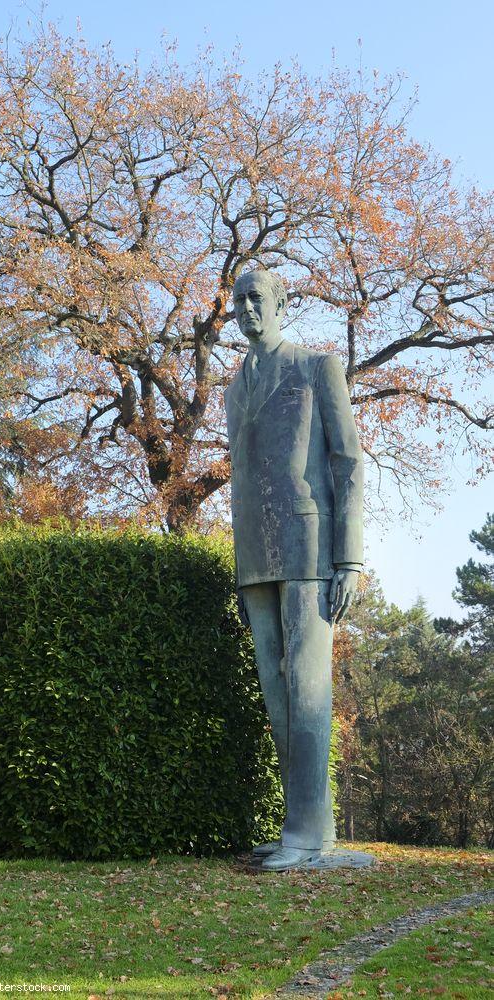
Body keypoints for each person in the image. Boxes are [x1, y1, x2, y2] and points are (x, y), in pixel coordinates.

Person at [224, 267, 364, 871]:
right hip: (255, 556)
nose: (247, 308)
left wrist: (349, 558)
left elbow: (348, 463)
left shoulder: (316, 367)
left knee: (308, 689)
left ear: (280, 303)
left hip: (309, 549)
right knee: (277, 694)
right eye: (238, 301)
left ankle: (310, 837)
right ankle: (301, 826)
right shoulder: (234, 388)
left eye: (257, 298)